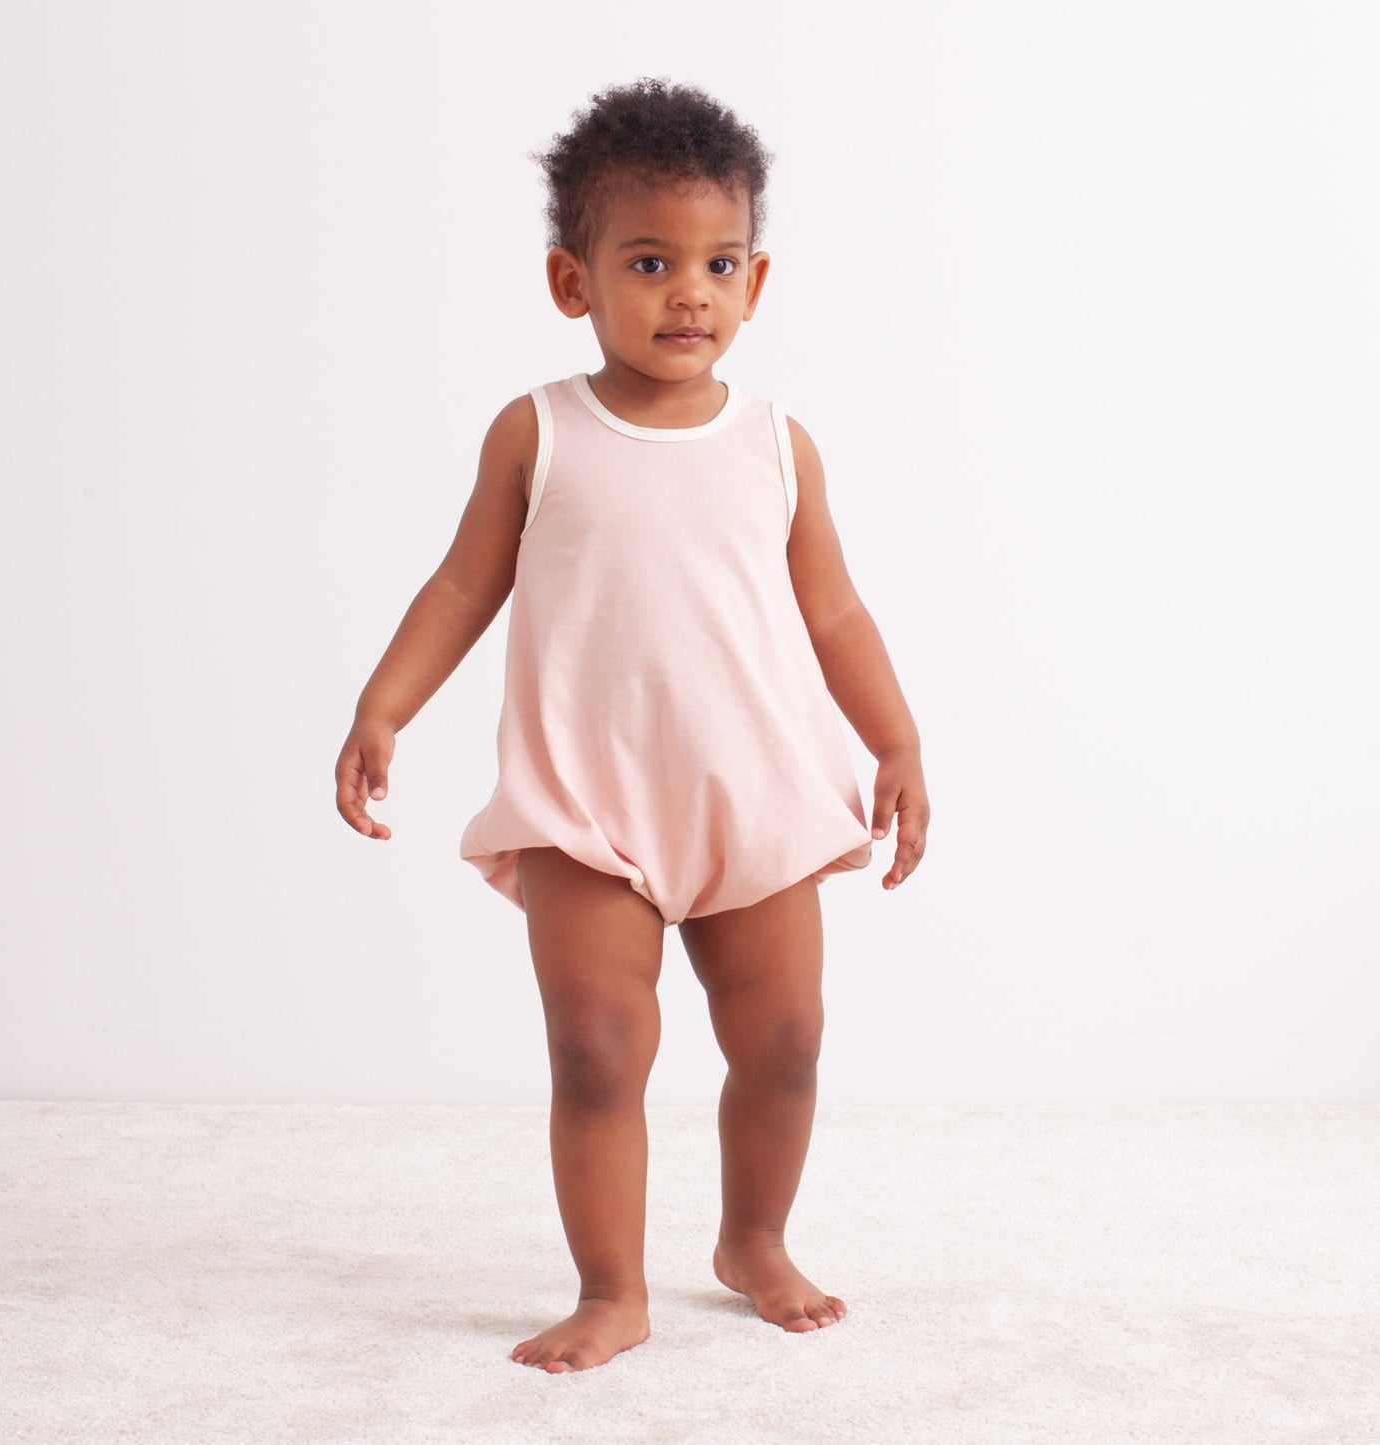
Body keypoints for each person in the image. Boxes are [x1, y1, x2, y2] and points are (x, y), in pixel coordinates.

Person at [335, 77, 930, 1374]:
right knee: (598, 1048)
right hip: (584, 806)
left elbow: (833, 611)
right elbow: (463, 585)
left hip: (754, 797)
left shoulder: (778, 444)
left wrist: (896, 741)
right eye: (649, 263)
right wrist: (385, 703)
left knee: (785, 1039)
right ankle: (612, 1289)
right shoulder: (537, 432)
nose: (688, 294)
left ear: (755, 282)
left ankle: (753, 1239)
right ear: (574, 279)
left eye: (718, 264)